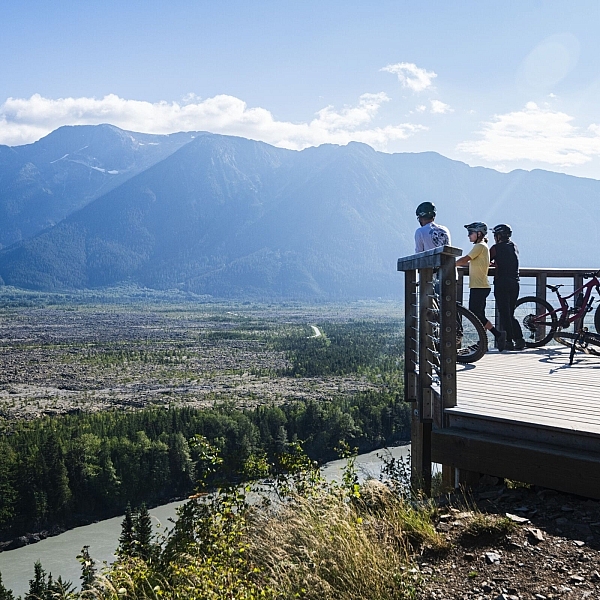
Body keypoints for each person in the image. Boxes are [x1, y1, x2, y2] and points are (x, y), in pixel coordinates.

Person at [456, 222, 507, 352]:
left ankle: (497, 335)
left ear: (479, 234)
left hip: (479, 287)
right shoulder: (482, 247)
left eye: (470, 233)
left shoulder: (479, 246)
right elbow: (472, 263)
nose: (468, 236)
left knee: (475, 313)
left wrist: (450, 264)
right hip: (481, 286)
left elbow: (465, 259)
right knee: (479, 314)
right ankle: (486, 341)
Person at [490, 224, 525, 351]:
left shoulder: (495, 248)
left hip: (502, 282)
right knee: (510, 313)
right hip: (515, 282)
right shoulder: (514, 246)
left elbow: (484, 260)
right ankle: (519, 339)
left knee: (504, 313)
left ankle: (509, 341)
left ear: (499, 236)